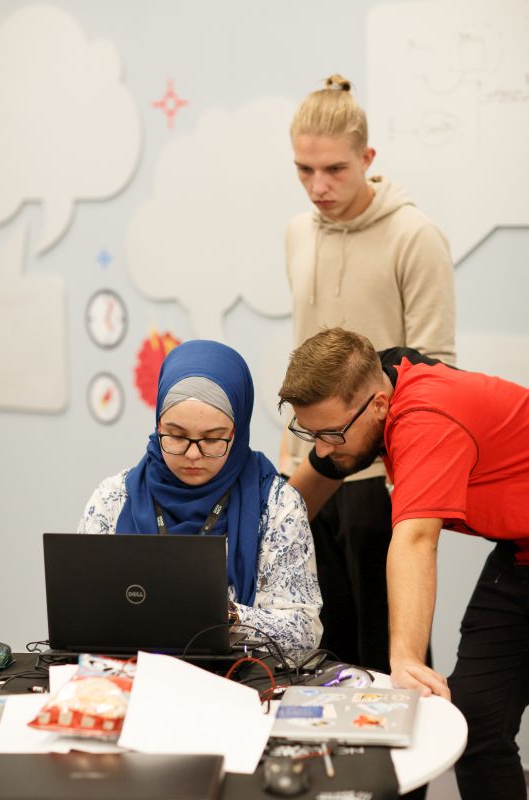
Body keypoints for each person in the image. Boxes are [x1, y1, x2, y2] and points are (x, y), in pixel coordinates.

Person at [278, 326, 529, 800]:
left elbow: (415, 540)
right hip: (519, 553)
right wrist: (262, 548)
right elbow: (310, 485)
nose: (323, 447)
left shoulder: (425, 417)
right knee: (476, 725)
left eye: (331, 434)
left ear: (377, 405)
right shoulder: (384, 374)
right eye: (312, 433)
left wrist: (406, 658)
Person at [280, 73, 455, 673]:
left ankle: (410, 743)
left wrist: (406, 474)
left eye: (334, 169)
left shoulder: (415, 236)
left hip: (384, 473)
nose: (318, 186)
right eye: (304, 170)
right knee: (323, 651)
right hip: (311, 466)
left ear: (368, 158)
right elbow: (303, 353)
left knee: (391, 654)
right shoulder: (297, 233)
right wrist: (291, 461)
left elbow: (436, 368)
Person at [78, 339, 322, 652]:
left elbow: (304, 632)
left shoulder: (276, 506)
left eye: (212, 439)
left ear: (237, 432)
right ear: (158, 425)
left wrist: (226, 615)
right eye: (177, 436)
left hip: (238, 676)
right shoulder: (113, 498)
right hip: (130, 673)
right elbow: (81, 609)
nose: (193, 455)